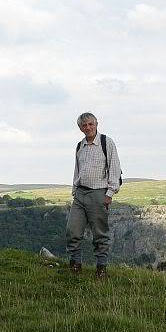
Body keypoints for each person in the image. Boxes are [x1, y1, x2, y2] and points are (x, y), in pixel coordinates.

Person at [66, 112, 122, 279]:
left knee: (100, 234)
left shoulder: (106, 142)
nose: (88, 127)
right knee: (72, 231)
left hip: (98, 193)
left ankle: (101, 269)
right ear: (80, 128)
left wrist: (109, 193)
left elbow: (115, 169)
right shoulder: (79, 146)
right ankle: (75, 265)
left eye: (90, 124)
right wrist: (75, 190)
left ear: (96, 124)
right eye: (84, 125)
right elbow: (77, 170)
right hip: (80, 193)